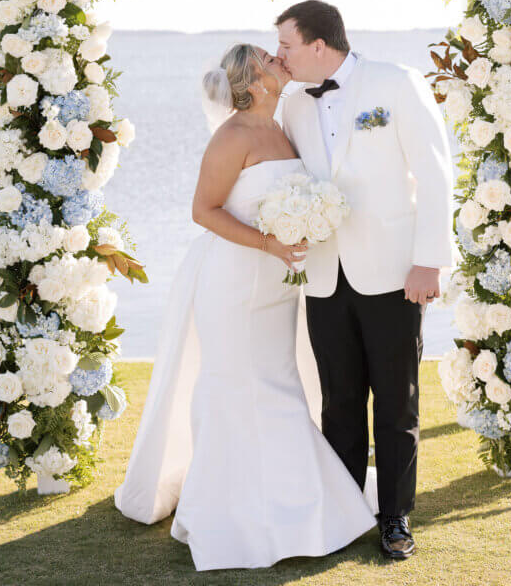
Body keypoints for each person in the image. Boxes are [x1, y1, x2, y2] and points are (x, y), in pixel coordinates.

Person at [114, 43, 377, 572]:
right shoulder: (231, 135)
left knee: (280, 384)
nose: (279, 58)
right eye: (267, 56)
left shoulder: (283, 127)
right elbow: (203, 210)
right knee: (235, 386)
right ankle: (231, 514)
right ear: (251, 81)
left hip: (279, 283)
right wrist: (270, 244)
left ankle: (295, 507)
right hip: (234, 281)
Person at [277, 0, 455, 560]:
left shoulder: (396, 83)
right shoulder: (292, 107)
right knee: (338, 401)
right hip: (324, 276)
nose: (279, 55)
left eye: (286, 44)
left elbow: (435, 173)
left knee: (396, 403)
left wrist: (430, 260)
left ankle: (395, 516)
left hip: (395, 274)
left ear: (319, 45)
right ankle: (345, 506)